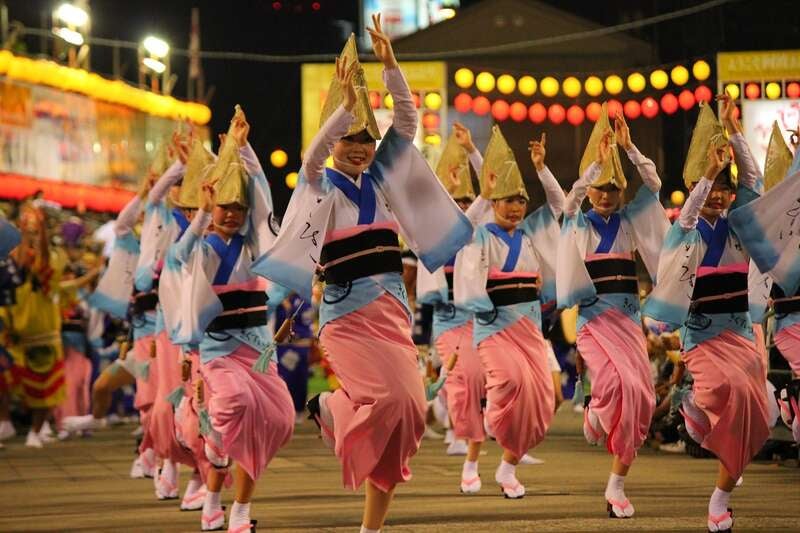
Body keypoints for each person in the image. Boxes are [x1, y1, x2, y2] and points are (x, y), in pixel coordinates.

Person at [252, 16, 472, 533]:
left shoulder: (383, 181)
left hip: (392, 311)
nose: (358, 148)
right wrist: (347, 109)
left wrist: (391, 69)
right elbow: (310, 156)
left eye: (364, 141)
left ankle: (370, 527)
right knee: (389, 401)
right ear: (334, 141)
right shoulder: (318, 186)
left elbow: (407, 123)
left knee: (410, 413)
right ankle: (329, 405)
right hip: (345, 316)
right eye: (349, 139)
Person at [645, 97, 771, 532]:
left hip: (738, 333)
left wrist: (735, 130)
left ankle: (721, 498)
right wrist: (708, 175)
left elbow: (753, 179)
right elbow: (692, 210)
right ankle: (692, 401)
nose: (718, 195)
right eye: (711, 187)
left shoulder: (741, 224)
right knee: (725, 386)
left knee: (755, 413)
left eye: (724, 189)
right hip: (701, 337)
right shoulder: (686, 232)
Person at [174, 106, 294, 532]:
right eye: (224, 207)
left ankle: (236, 508)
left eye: (237, 208)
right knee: (236, 406)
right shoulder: (200, 249)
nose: (232, 214)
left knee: (277, 418)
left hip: (258, 347)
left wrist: (244, 150)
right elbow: (177, 258)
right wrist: (203, 214)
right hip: (217, 350)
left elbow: (263, 201)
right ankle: (214, 477)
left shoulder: (254, 246)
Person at [558, 105, 669, 518]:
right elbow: (568, 203)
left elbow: (655, 185)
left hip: (627, 321)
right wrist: (595, 167)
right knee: (613, 382)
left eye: (613, 189)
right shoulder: (578, 223)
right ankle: (594, 407)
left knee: (641, 395)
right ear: (590, 190)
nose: (606, 195)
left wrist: (629, 149)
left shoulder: (630, 222)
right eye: (600, 188)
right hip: (593, 324)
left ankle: (617, 484)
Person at [454, 125, 563, 498]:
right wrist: (474, 155)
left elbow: (560, 206)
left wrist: (540, 168)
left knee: (543, 398)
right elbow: (464, 225)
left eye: (520, 200)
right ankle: (489, 426)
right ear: (493, 204)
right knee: (511, 382)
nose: (515, 206)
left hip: (529, 328)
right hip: (493, 326)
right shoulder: (480, 235)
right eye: (507, 200)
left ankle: (508, 466)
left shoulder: (531, 235)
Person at [417, 122, 490, 488]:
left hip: (477, 319)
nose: (462, 207)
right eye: (454, 200)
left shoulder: (479, 231)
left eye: (466, 200)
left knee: (473, 381)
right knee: (458, 382)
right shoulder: (428, 230)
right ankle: (461, 438)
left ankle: (470, 452)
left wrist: (473, 151)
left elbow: (491, 195)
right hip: (446, 322)